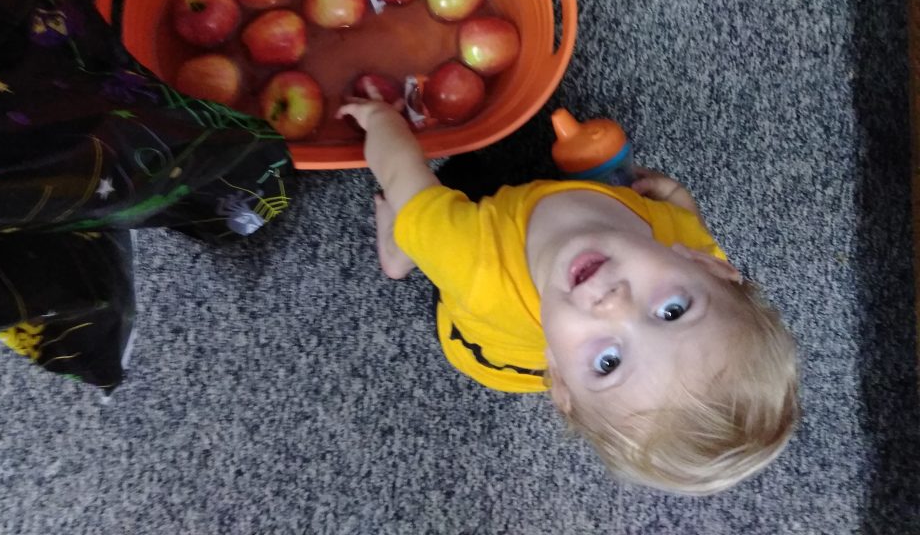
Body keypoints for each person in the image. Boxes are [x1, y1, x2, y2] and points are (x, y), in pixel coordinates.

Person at [337, 95, 799, 495]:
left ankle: (398, 255)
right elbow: (692, 224)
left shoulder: (473, 260)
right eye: (672, 311)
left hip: (484, 331)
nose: (612, 302)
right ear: (707, 266)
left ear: (559, 380)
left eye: (608, 363)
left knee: (428, 207)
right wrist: (677, 196)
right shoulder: (685, 238)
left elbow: (402, 173)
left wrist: (382, 123)